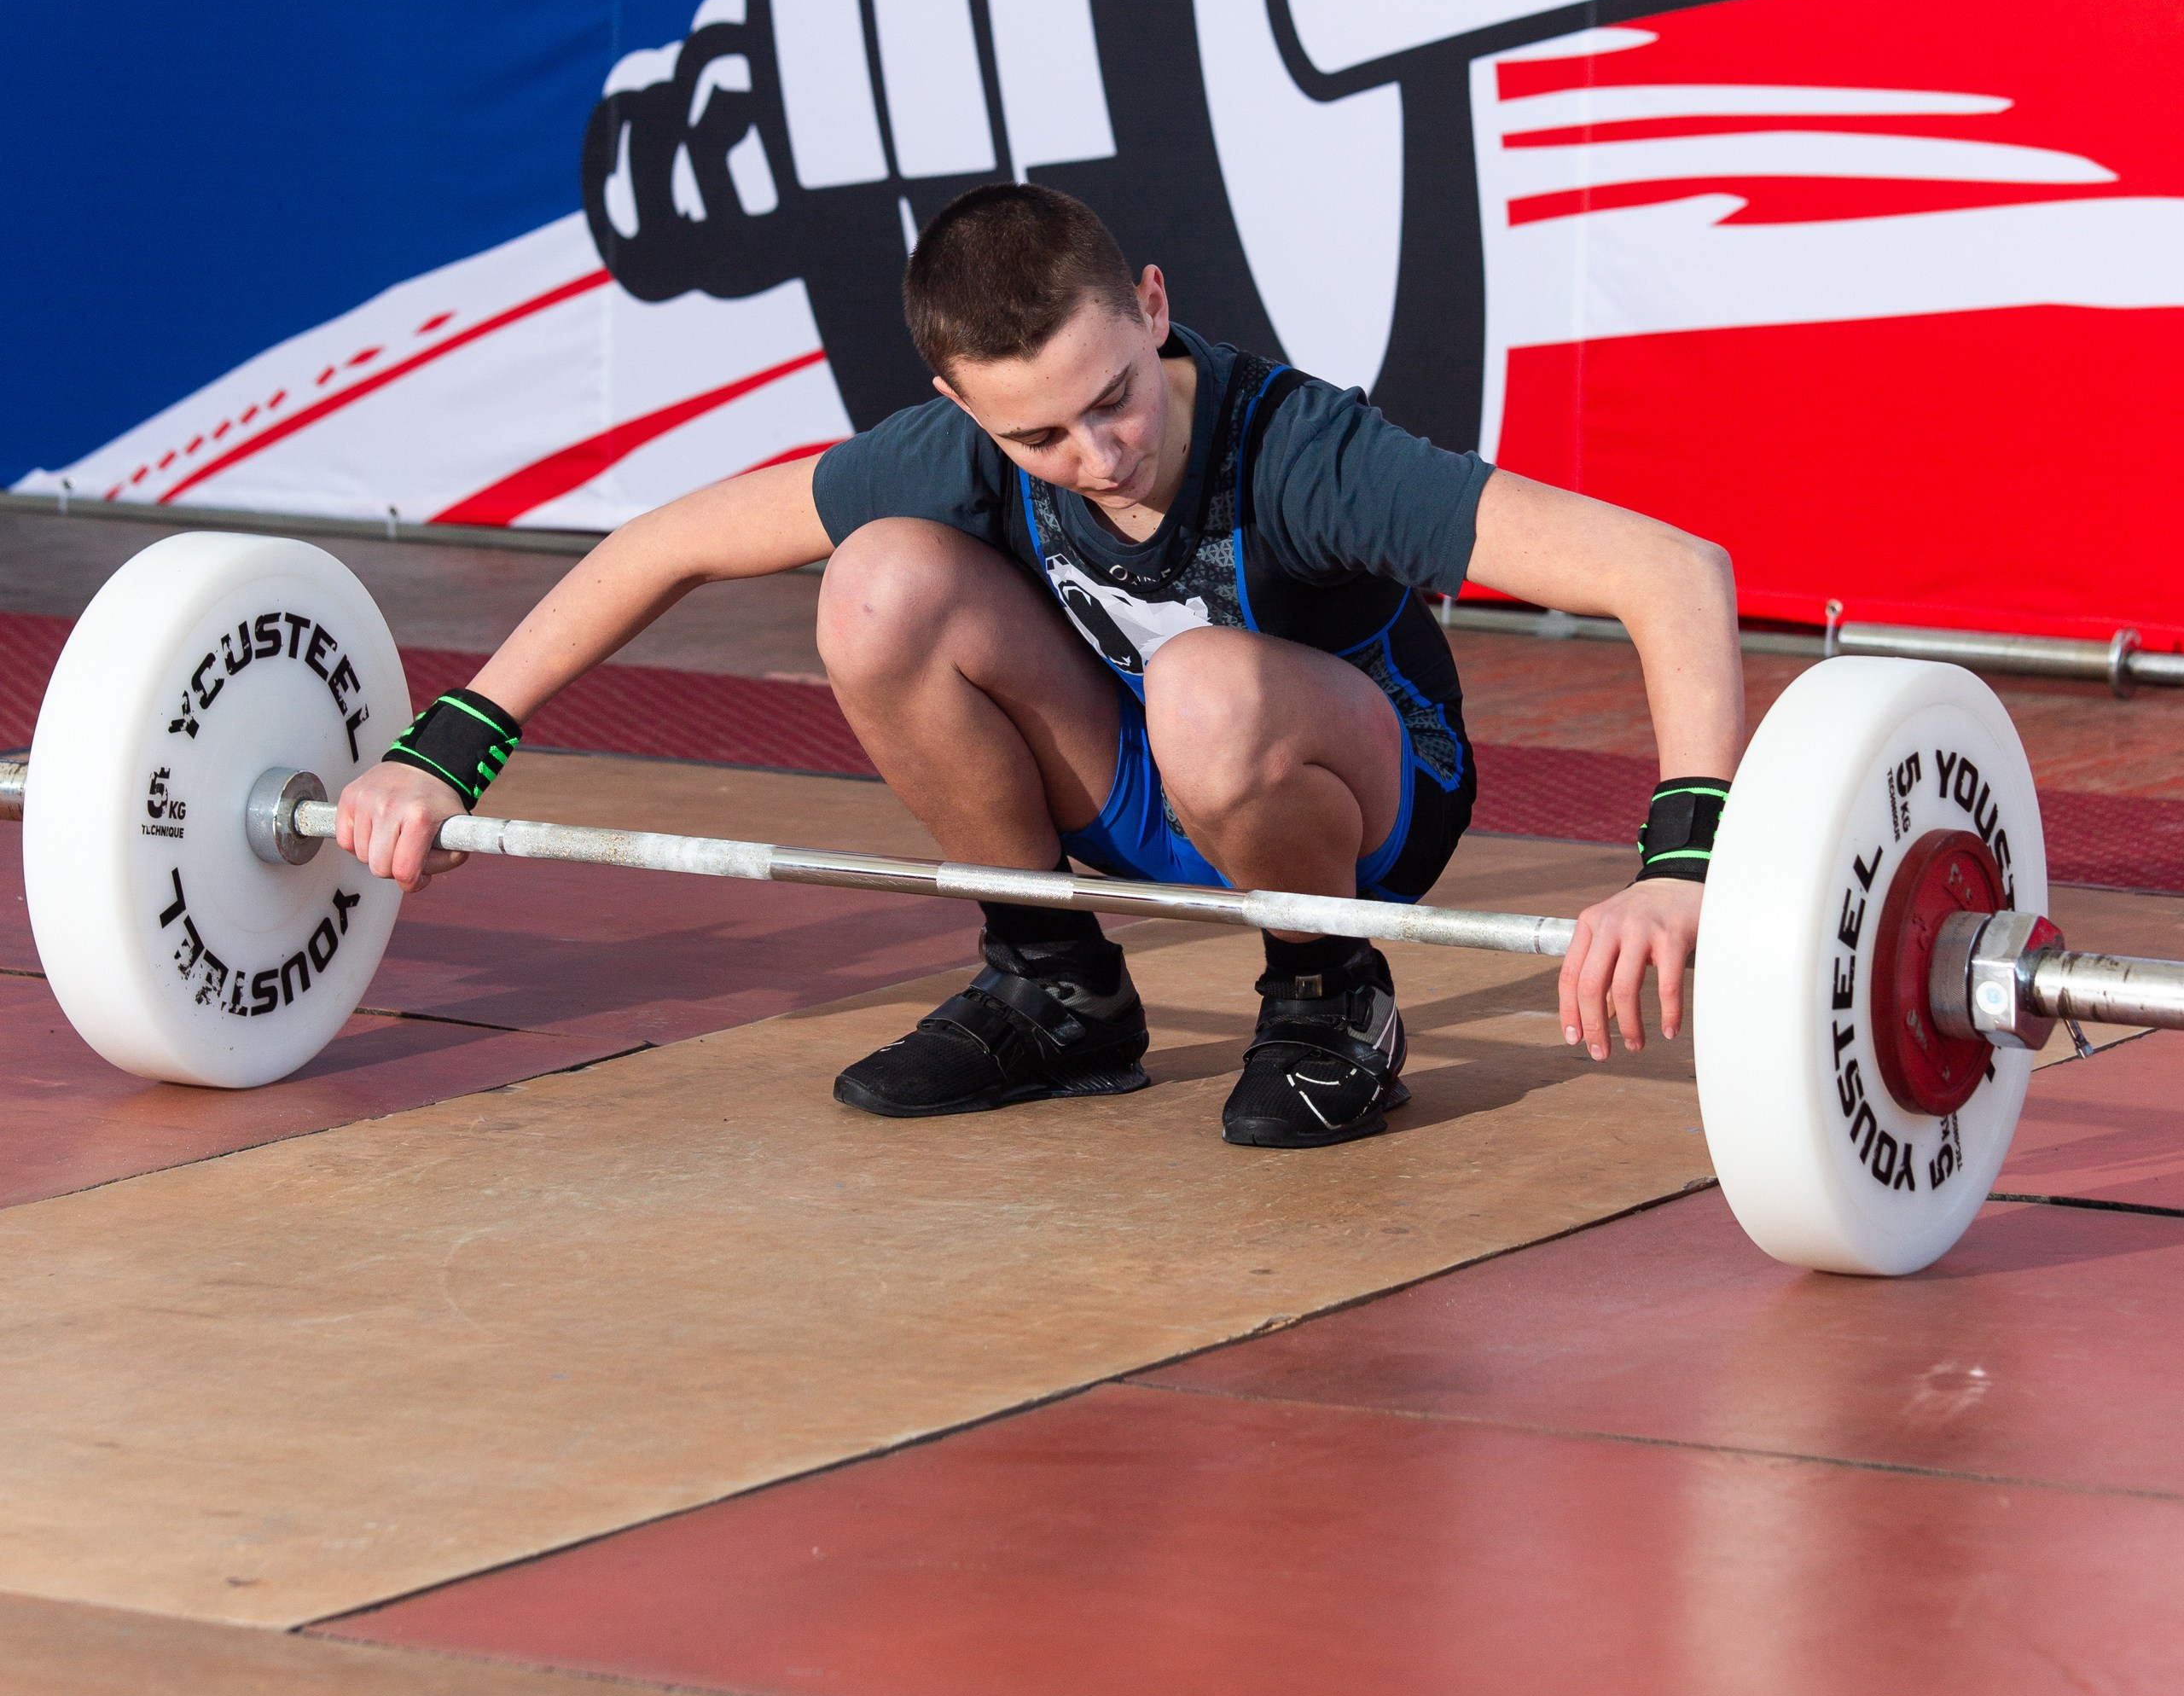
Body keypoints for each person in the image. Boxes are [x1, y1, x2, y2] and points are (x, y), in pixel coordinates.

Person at [337, 186, 1744, 1147]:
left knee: (1204, 684)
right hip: (1138, 773)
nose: (1103, 458)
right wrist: (445, 747)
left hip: (1356, 798)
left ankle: (1328, 991)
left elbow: (1672, 571)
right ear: (962, 403)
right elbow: (666, 545)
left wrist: (1682, 867)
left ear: (1150, 304)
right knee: (879, 583)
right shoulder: (953, 451)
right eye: (1043, 441)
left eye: (1115, 399)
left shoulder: (1306, 451)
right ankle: (1052, 988)